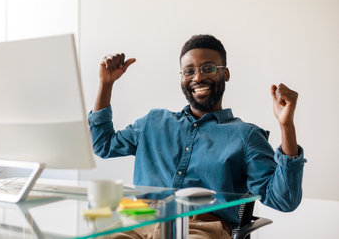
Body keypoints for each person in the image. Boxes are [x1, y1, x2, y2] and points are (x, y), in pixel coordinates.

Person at [88, 34, 306, 239]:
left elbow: (283, 199)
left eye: (208, 68)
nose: (198, 77)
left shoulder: (245, 136)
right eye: (189, 71)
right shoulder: (153, 122)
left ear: (225, 74)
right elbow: (103, 145)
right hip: (138, 222)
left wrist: (286, 125)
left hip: (200, 228)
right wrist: (106, 84)